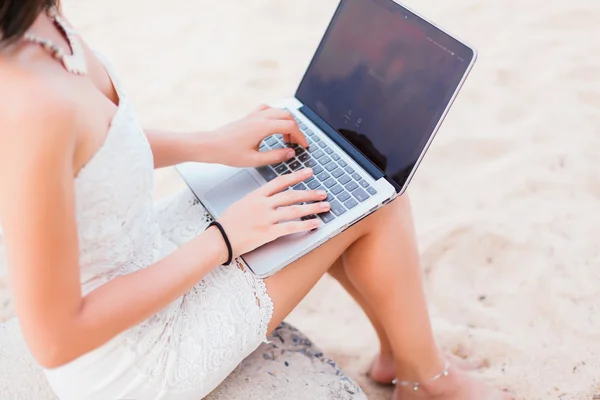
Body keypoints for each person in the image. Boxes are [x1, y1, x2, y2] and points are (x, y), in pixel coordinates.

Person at [0, 1, 513, 399]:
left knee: (326, 182)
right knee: (379, 202)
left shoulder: (39, 19)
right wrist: (222, 241)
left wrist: (213, 143)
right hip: (129, 357)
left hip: (146, 253)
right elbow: (56, 338)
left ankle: (400, 356)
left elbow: (97, 150)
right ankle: (426, 377)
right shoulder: (27, 103)